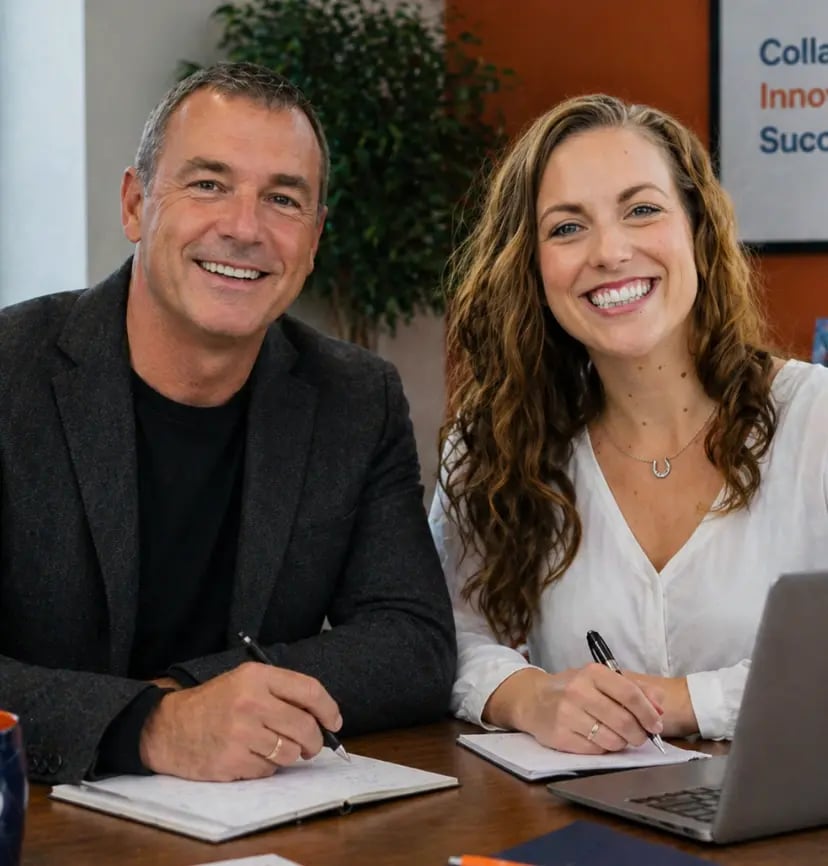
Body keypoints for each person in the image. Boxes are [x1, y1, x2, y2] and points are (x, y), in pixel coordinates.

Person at [0, 62, 456, 785]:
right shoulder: (10, 371)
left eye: (282, 198)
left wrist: (197, 693)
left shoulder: (356, 397)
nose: (244, 228)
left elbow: (415, 644)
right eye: (209, 184)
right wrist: (147, 725)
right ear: (135, 203)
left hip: (255, 823)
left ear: (313, 238)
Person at [429, 94, 828, 754]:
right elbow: (444, 629)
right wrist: (528, 696)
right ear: (531, 264)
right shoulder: (493, 442)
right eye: (566, 228)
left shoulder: (815, 420)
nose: (610, 252)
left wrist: (680, 702)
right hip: (581, 829)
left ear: (696, 228)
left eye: (641, 210)